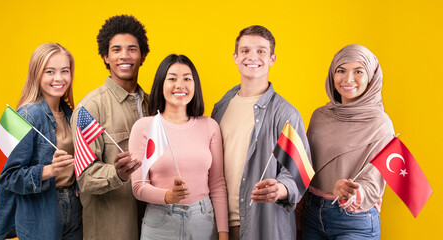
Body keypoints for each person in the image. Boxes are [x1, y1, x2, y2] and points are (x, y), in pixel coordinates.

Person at [211, 25, 311, 240]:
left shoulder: (287, 114)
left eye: (261, 51)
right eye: (245, 51)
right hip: (220, 227)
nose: (252, 57)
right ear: (236, 57)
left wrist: (281, 189)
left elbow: (298, 173)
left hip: (263, 226)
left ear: (272, 59)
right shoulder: (221, 107)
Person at [301, 44, 395, 240]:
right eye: (341, 70)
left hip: (354, 220)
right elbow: (305, 166)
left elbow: (374, 180)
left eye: (358, 71)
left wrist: (352, 192)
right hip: (311, 214)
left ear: (371, 77)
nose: (348, 79)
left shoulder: (380, 123)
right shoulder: (319, 116)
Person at [130, 54, 229, 240]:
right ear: (161, 85)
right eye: (172, 78)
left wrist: (223, 234)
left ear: (195, 85)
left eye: (187, 78)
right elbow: (138, 186)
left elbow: (217, 184)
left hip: (203, 221)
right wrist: (169, 196)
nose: (180, 85)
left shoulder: (209, 126)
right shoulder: (144, 127)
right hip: (160, 223)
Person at [69, 15, 149, 240]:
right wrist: (118, 174)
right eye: (116, 50)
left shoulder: (154, 104)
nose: (124, 55)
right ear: (105, 56)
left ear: (142, 55)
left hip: (152, 225)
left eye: (132, 49)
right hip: (111, 230)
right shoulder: (90, 107)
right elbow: (84, 177)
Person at [0, 43, 82, 240]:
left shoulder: (71, 113)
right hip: (41, 209)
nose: (59, 78)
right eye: (50, 71)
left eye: (65, 71)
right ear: (37, 74)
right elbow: (9, 177)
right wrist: (49, 170)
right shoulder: (26, 116)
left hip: (73, 204)